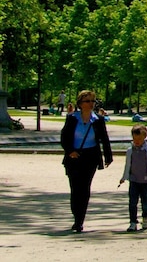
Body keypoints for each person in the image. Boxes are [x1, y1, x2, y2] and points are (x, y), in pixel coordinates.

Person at [60, 90, 114, 233]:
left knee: (85, 188)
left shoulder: (98, 119)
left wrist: (108, 156)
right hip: (74, 157)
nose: (90, 104)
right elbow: (64, 137)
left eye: (92, 101)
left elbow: (104, 138)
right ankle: (76, 213)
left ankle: (79, 220)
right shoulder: (72, 118)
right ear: (80, 104)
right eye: (87, 101)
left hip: (90, 157)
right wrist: (70, 150)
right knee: (75, 188)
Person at [118, 124, 147, 231]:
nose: (136, 141)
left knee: (145, 201)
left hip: (145, 180)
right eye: (134, 139)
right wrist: (124, 177)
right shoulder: (130, 151)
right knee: (132, 202)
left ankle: (145, 218)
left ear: (144, 137)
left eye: (139, 139)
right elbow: (127, 165)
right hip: (133, 180)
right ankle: (133, 222)